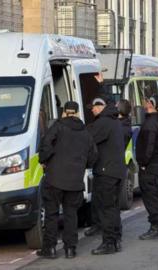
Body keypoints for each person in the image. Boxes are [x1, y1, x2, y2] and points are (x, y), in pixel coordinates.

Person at [36, 101, 98, 259]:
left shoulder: (57, 127)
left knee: (52, 214)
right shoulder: (85, 132)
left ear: (64, 112)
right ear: (77, 113)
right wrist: (82, 166)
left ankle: (49, 249)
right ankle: (70, 249)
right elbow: (93, 156)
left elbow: (45, 145)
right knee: (71, 215)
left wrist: (44, 160)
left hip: (54, 179)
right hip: (75, 181)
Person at [86, 97, 126, 255]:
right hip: (116, 171)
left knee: (106, 209)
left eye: (95, 107)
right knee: (113, 208)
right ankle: (115, 239)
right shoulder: (115, 120)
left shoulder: (103, 122)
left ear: (102, 107)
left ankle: (109, 242)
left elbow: (88, 139)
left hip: (106, 171)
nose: (92, 110)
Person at [136, 94, 158, 240]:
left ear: (153, 105)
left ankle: (156, 227)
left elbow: (148, 146)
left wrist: (143, 163)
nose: (145, 102)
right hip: (156, 165)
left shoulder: (151, 124)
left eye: (148, 101)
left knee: (151, 197)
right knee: (154, 196)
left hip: (149, 167)